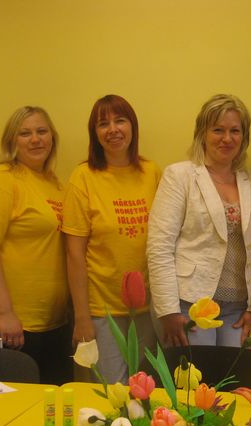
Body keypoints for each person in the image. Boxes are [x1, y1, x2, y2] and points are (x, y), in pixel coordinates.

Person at [147, 94, 251, 348]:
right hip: (188, 303)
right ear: (202, 133)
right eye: (218, 130)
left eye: (235, 131)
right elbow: (160, 247)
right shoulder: (179, 176)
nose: (227, 138)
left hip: (238, 308)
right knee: (196, 373)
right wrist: (168, 310)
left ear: (244, 137)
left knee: (234, 371)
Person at [0, 106, 71, 385]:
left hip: (50, 321)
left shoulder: (55, 185)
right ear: (12, 141)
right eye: (25, 133)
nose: (35, 139)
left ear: (52, 138)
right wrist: (5, 313)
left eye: (42, 131)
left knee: (51, 401)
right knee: (12, 403)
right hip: (6, 322)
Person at [63, 94, 160, 384]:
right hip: (101, 310)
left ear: (133, 127)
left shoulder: (152, 173)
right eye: (103, 124)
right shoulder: (83, 177)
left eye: (120, 120)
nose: (113, 129)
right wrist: (82, 317)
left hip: (148, 309)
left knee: (144, 391)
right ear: (94, 133)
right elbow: (74, 254)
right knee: (112, 392)